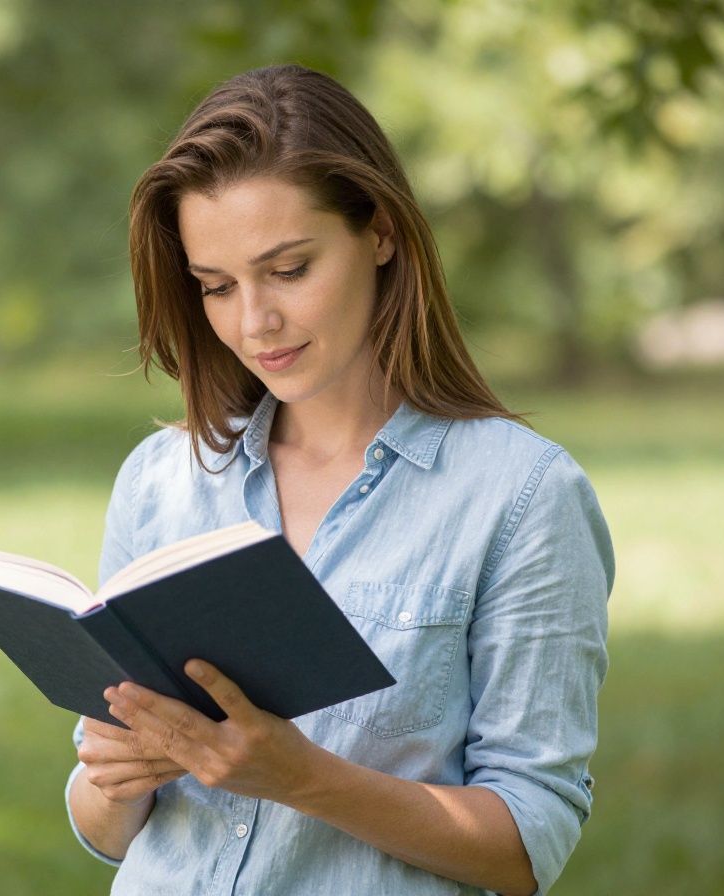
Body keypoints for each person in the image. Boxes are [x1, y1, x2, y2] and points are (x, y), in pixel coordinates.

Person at [64, 63, 614, 896]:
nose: (255, 323)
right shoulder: (162, 480)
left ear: (381, 233)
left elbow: (526, 843)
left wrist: (301, 777)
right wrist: (114, 774)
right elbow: (102, 830)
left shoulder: (521, 498)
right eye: (217, 286)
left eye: (288, 270)